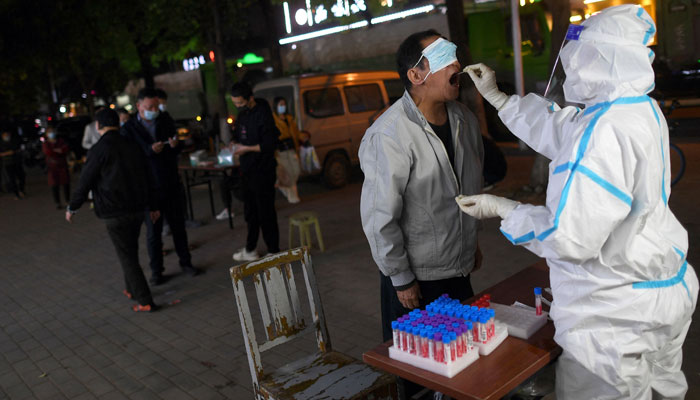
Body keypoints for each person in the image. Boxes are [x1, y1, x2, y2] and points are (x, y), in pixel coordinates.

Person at [459, 5, 698, 399]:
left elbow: (568, 238)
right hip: (662, 294)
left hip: (612, 319)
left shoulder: (604, 130)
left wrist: (506, 211)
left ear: (597, 58)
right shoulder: (638, 109)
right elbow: (565, 130)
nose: (572, 67)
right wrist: (500, 100)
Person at [359, 30, 484, 383]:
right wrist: (401, 279)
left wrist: (471, 242)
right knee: (420, 378)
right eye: (445, 56)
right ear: (416, 75)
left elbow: (468, 190)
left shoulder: (464, 121)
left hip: (458, 272)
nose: (457, 63)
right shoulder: (390, 134)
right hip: (414, 284)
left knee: (465, 370)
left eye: (454, 53)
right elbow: (379, 218)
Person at [66, 108, 160, 312]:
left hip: (113, 212)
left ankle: (145, 300)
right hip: (137, 209)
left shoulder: (98, 149)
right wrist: (153, 205)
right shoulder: (132, 145)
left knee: (127, 257)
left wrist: (73, 207)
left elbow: (85, 181)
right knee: (130, 251)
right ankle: (131, 289)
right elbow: (148, 176)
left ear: (98, 126)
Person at [121, 87, 202, 285]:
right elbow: (129, 158)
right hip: (149, 189)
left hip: (171, 182)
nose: (154, 110)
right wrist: (149, 150)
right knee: (153, 233)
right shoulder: (129, 129)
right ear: (139, 106)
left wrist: (176, 145)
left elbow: (177, 144)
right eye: (149, 107)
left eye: (156, 106)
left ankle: (186, 263)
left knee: (178, 227)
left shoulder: (165, 119)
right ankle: (157, 271)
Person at [230, 82, 280, 261]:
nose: (238, 107)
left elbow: (269, 144)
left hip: (263, 170)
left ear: (250, 98)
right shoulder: (243, 113)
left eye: (240, 103)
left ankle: (274, 250)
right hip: (247, 170)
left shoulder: (263, 113)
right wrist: (235, 143)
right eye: (235, 103)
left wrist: (247, 149)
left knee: (265, 211)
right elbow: (239, 134)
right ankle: (250, 249)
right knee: (250, 211)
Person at [272, 96, 301, 204]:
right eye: (280, 105)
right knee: (288, 173)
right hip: (281, 150)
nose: (282, 107)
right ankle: (293, 197)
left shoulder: (289, 118)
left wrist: (303, 137)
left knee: (296, 170)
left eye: (284, 104)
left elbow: (296, 132)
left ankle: (281, 185)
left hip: (291, 148)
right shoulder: (273, 119)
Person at [42, 127, 71, 209]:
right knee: (54, 185)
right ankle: (57, 202)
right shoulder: (46, 143)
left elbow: (65, 149)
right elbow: (48, 152)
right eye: (49, 132)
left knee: (65, 183)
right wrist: (58, 151)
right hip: (52, 167)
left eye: (52, 131)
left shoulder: (60, 141)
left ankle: (67, 200)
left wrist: (57, 151)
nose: (51, 133)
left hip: (62, 165)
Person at [0, 130, 26, 199]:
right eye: (5, 135)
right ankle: (17, 194)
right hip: (8, 163)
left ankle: (21, 190)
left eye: (7, 135)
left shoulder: (13, 141)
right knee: (12, 179)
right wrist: (7, 153)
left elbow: (15, 150)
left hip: (16, 161)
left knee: (22, 176)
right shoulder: (1, 143)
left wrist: (9, 153)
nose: (6, 136)